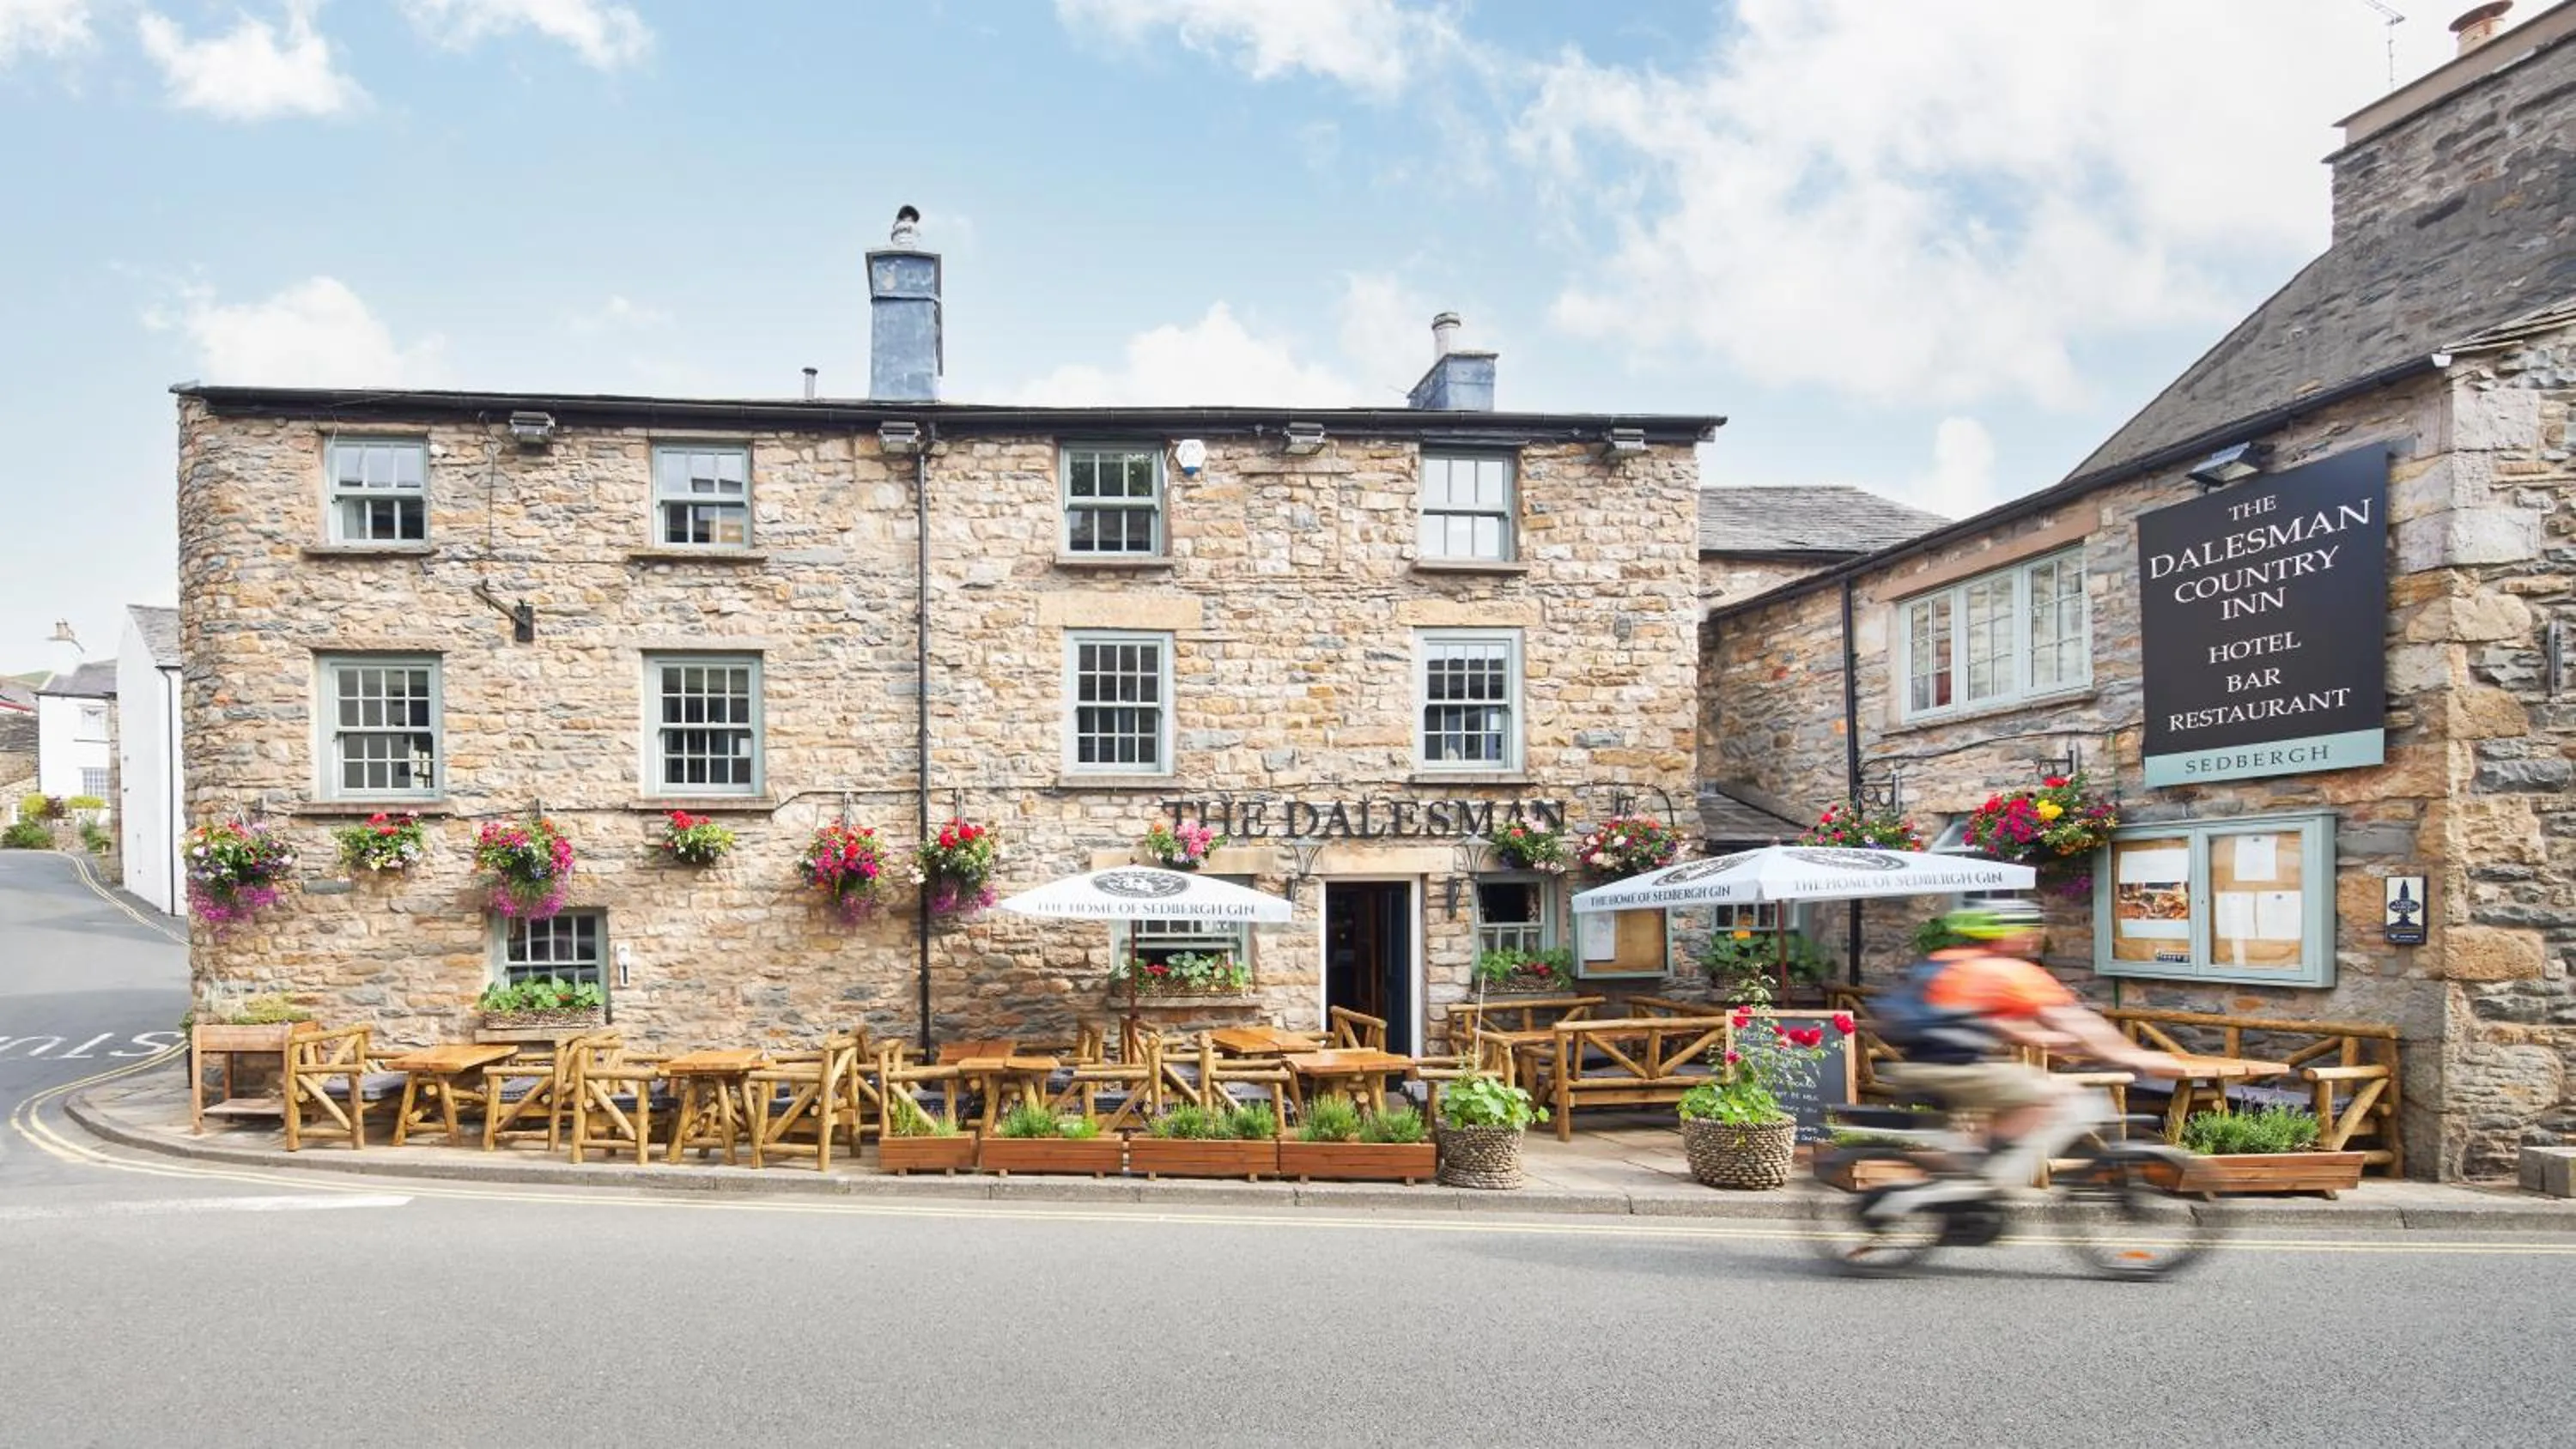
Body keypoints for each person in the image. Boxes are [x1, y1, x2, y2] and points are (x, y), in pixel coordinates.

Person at [1872, 899, 2186, 1196]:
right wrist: (2137, 1056)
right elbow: (2075, 1020)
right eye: (2029, 928)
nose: (2035, 936)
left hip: (1924, 1065)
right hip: (1952, 1069)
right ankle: (1985, 1174)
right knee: (2056, 1097)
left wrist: (2057, 1041)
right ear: (2010, 934)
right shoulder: (2010, 971)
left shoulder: (1953, 963)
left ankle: (1964, 1170)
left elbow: (2000, 1024)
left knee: (2016, 1095)